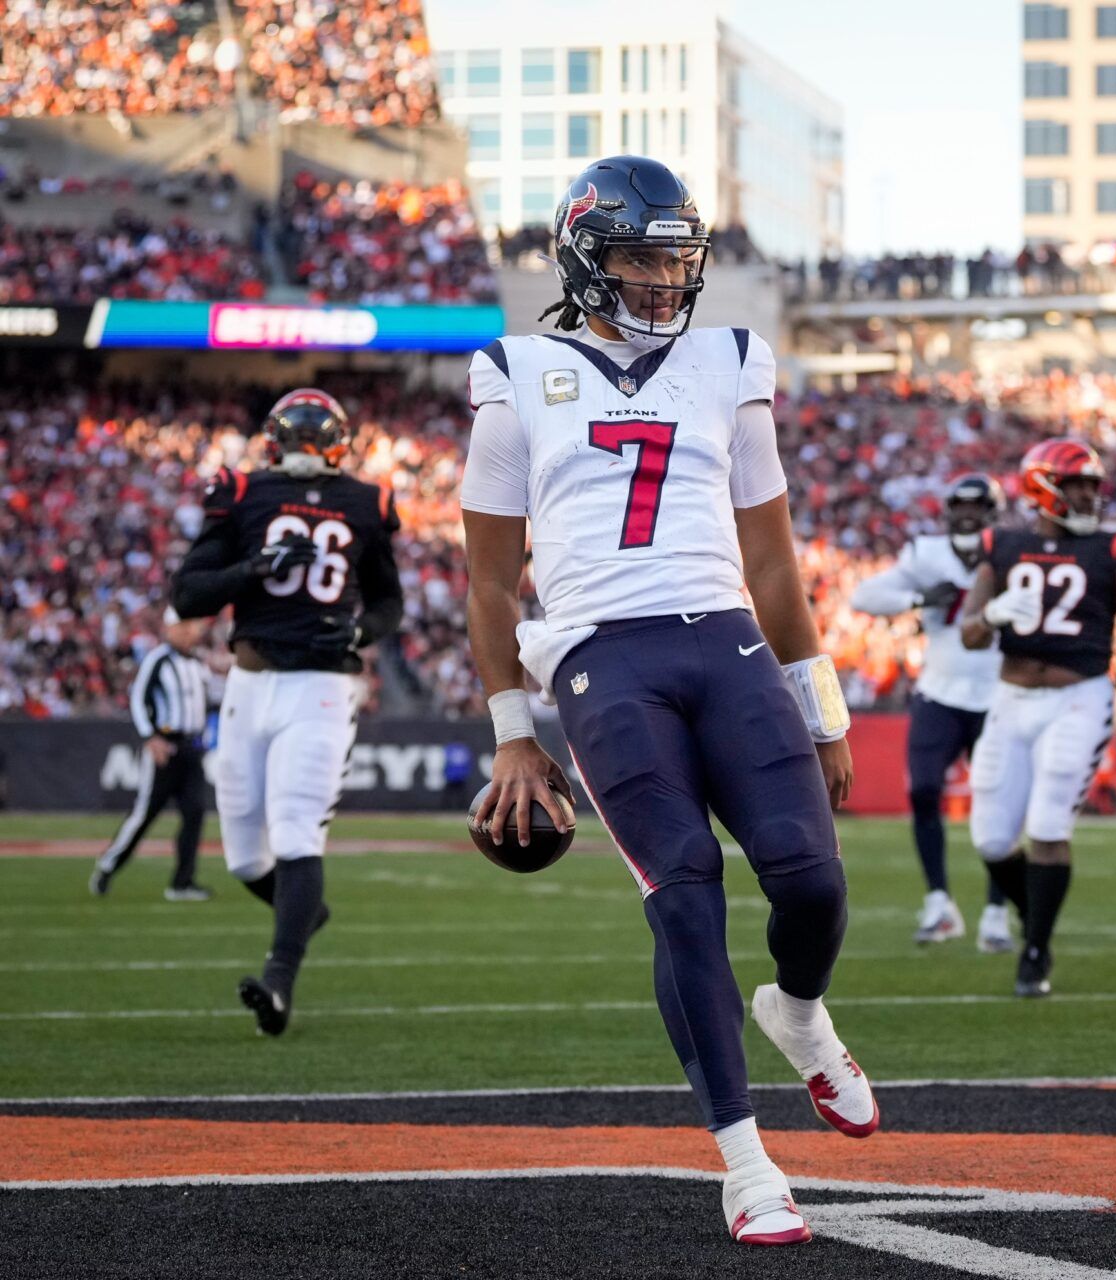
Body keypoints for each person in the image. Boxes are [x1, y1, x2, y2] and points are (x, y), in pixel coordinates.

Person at [460, 156, 869, 1248]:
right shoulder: (514, 369)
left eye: (675, 256)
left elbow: (776, 564)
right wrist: (512, 731)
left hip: (728, 639)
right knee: (684, 886)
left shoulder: (729, 359)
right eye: (640, 254)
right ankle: (747, 1161)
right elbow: (491, 579)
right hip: (602, 655)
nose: (662, 276)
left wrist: (819, 702)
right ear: (587, 256)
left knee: (813, 876)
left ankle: (800, 1010)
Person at [172, 388, 402, 1036]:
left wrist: (359, 634)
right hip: (248, 686)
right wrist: (255, 567)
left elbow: (389, 603)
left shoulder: (367, 501)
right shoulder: (242, 492)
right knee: (246, 858)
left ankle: (278, 983)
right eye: (294, 438)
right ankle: (303, 913)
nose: (303, 450)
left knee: (299, 832)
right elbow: (187, 595)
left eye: (311, 438)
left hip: (321, 690)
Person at [959, 437, 1116, 998]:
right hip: (1010, 701)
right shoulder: (1002, 544)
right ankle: (1037, 919)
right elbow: (968, 632)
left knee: (1050, 823)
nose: (1087, 497)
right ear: (1042, 488)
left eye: (1091, 486)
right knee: (989, 840)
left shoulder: (1115, 548)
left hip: (1078, 697)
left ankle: (1035, 949)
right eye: (1075, 485)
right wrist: (990, 612)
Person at [849, 474, 1013, 950]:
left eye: (976, 506)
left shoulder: (1010, 552)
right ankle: (939, 901)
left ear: (991, 513)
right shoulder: (926, 553)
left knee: (999, 804)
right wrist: (917, 599)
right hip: (939, 690)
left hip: (997, 691)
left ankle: (998, 910)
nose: (966, 514)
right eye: (958, 506)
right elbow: (864, 596)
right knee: (923, 790)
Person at [90, 608, 214, 901]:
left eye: (190, 626)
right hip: (165, 748)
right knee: (144, 815)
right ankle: (109, 864)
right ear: (169, 629)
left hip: (192, 749)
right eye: (180, 627)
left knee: (195, 812)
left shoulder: (197, 662)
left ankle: (182, 883)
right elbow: (138, 698)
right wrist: (150, 737)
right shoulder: (158, 660)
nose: (186, 632)